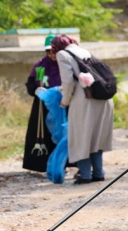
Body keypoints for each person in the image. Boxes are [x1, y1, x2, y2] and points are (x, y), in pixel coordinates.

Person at [52, 34, 114, 184]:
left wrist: (65, 100)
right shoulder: (83, 51)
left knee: (80, 137)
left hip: (84, 99)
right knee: (96, 137)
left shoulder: (62, 54)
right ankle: (98, 173)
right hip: (102, 97)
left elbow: (68, 82)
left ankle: (85, 175)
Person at [22, 34, 61, 172]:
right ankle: (40, 164)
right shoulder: (40, 65)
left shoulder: (66, 64)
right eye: (48, 51)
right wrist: (36, 89)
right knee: (42, 133)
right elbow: (31, 84)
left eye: (54, 51)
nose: (51, 54)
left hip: (62, 105)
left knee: (61, 132)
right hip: (42, 106)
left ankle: (62, 163)